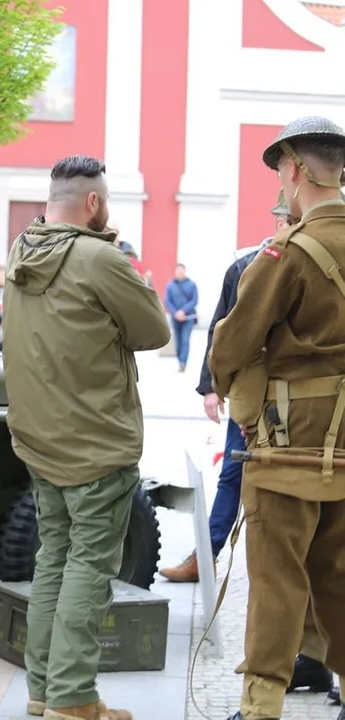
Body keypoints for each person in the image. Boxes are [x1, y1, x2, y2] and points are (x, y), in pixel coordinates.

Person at [3, 155, 170, 720]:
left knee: (53, 560)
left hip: (39, 438)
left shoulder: (21, 252)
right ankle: (73, 699)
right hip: (96, 440)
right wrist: (112, 254)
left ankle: (43, 691)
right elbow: (154, 330)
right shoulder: (102, 259)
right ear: (94, 203)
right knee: (89, 569)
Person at [209, 116, 345, 720]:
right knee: (340, 578)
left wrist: (227, 382)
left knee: (277, 579)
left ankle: (262, 706)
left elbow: (230, 346)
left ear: (293, 169)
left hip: (289, 444)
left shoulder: (285, 252)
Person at [162, 194, 291, 583]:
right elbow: (221, 331)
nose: (286, 224)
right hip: (254, 395)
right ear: (277, 221)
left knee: (291, 479)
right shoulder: (247, 266)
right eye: (283, 218)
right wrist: (211, 387)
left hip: (300, 395)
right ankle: (207, 554)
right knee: (233, 473)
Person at [165, 264, 199, 372]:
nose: (180, 273)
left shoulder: (191, 284)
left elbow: (194, 300)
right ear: (175, 272)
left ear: (185, 271)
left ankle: (183, 362)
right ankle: (179, 359)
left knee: (185, 340)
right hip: (175, 318)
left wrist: (183, 311)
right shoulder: (170, 285)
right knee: (178, 341)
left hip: (188, 317)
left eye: (182, 271)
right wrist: (175, 313)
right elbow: (167, 301)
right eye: (178, 271)